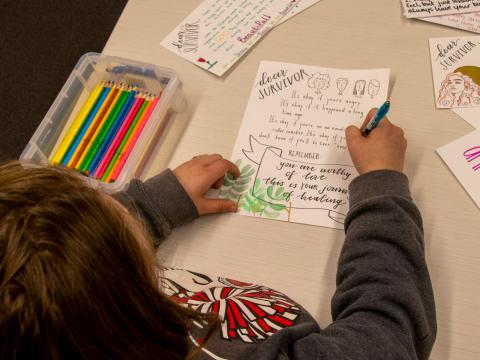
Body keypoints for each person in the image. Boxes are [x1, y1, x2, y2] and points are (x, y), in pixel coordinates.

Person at [0, 109, 436, 359]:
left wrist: (152, 207)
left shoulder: (66, 328)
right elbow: (387, 333)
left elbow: (46, 249)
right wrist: (381, 184)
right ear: (123, 302)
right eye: (110, 210)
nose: (119, 204)